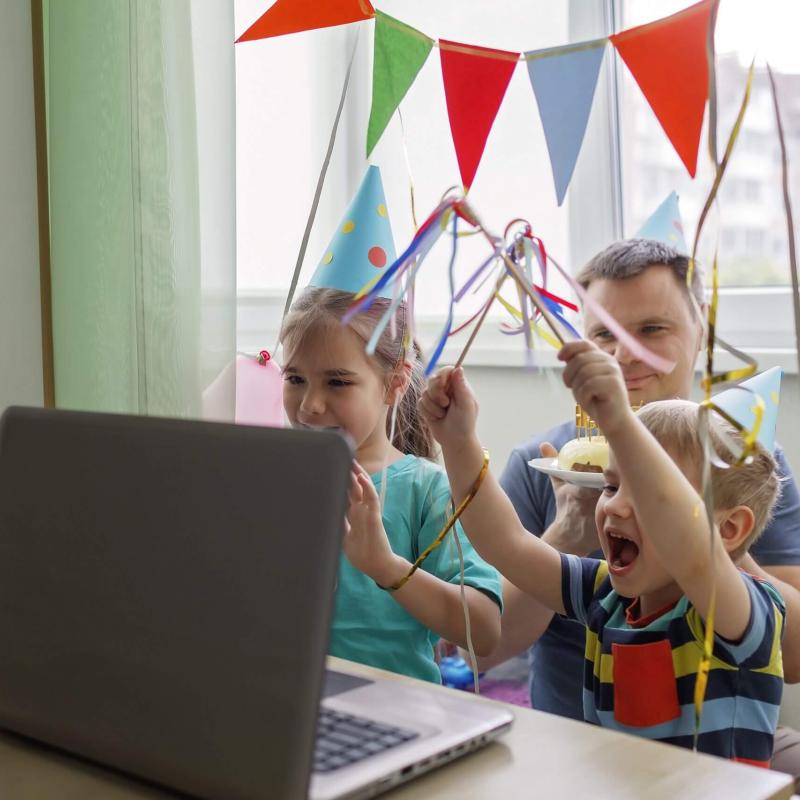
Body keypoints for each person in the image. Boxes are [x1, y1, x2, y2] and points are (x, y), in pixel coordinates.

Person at [495, 238, 800, 783]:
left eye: (652, 330)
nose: (624, 355)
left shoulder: (748, 465)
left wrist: (707, 536)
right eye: (603, 334)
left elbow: (795, 657)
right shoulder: (539, 466)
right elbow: (486, 644)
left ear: (698, 333)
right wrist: (567, 528)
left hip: (719, 748)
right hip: (573, 741)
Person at [420, 343, 785, 763]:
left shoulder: (744, 612)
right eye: (611, 486)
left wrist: (619, 421)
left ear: (728, 530)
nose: (613, 505)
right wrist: (458, 442)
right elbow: (508, 543)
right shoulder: (604, 595)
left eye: (645, 493)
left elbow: (693, 550)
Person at [277, 165, 501, 684]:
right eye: (295, 379)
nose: (309, 406)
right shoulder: (270, 478)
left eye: (337, 383)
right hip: (284, 711)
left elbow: (485, 630)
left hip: (400, 718)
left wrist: (384, 566)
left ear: (396, 383)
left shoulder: (425, 489)